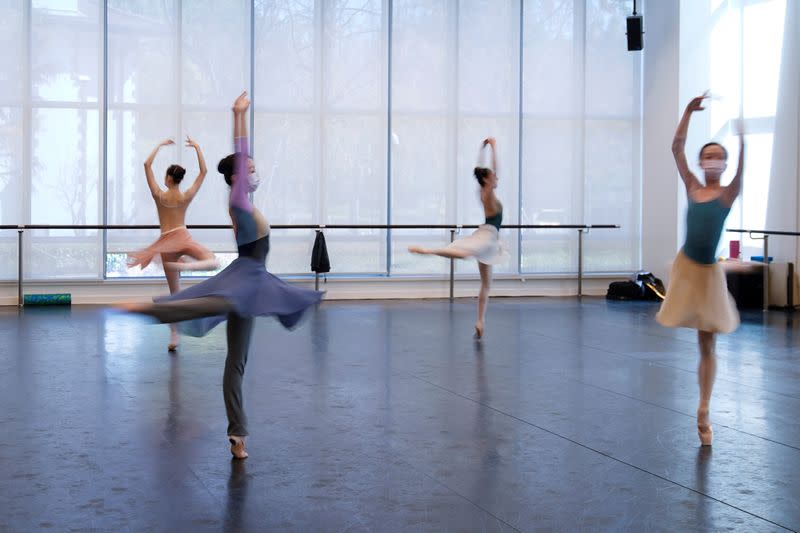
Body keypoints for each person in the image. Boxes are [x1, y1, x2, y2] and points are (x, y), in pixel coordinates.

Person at [118, 92, 324, 459]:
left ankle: (238, 434)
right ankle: (147, 310)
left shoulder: (243, 203)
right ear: (238, 177)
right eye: (251, 170)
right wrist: (238, 116)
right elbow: (241, 151)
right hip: (245, 279)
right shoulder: (240, 200)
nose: (255, 173)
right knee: (201, 305)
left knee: (236, 361)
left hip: (252, 278)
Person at [656, 92, 745, 446]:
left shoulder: (728, 193)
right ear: (701, 161)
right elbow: (676, 147)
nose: (712, 161)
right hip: (686, 267)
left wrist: (741, 138)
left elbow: (744, 169)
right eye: (707, 156)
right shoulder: (692, 186)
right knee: (694, 332)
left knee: (706, 342)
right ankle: (704, 408)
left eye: (718, 157)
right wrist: (687, 112)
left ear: (723, 165)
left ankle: (704, 409)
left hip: (708, 273)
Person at [128, 136, 219, 351]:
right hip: (182, 237)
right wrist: (197, 148)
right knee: (211, 260)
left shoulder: (159, 195)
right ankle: (185, 264)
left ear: (168, 178)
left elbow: (146, 165)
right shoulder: (186, 195)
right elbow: (204, 172)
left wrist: (158, 146)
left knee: (175, 293)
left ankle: (175, 335)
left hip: (167, 242)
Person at [409, 138, 505, 339]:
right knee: (464, 253)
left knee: (486, 284)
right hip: (487, 237)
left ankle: (480, 321)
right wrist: (493, 147)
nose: (496, 177)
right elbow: (493, 169)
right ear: (487, 180)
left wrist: (482, 148)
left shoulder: (483, 190)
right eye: (493, 176)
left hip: (489, 240)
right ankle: (430, 251)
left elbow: (482, 170)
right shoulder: (487, 193)